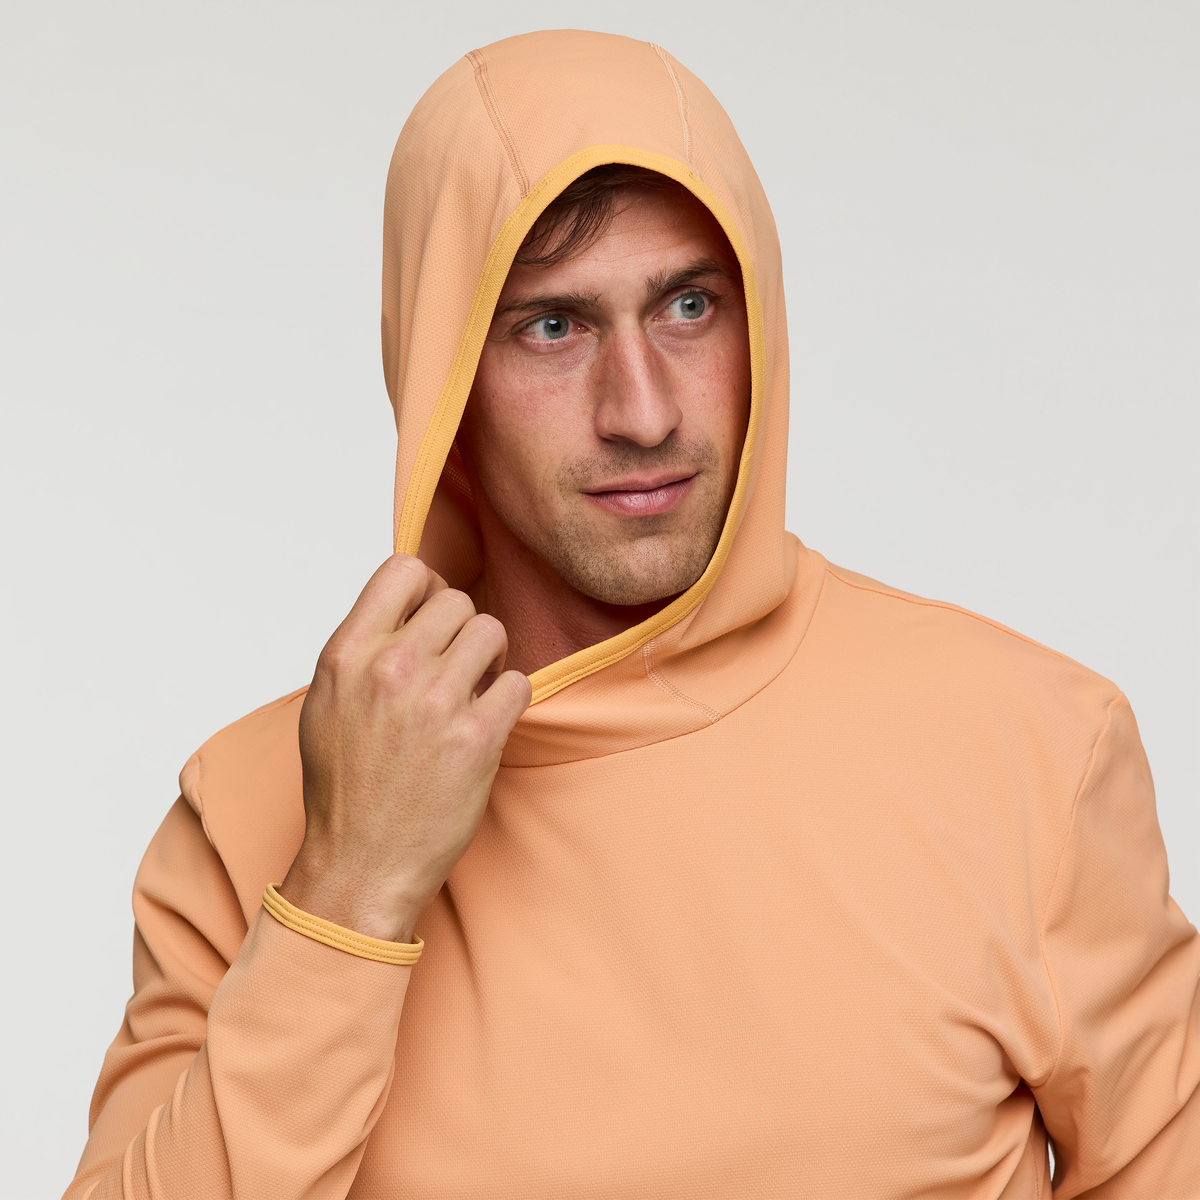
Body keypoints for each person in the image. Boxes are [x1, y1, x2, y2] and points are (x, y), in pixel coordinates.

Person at [66, 29, 1199, 1200]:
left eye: (689, 305)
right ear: (441, 379)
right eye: (552, 327)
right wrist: (349, 888)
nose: (644, 412)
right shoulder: (250, 815)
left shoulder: (1030, 748)